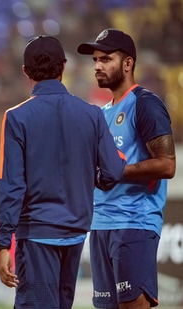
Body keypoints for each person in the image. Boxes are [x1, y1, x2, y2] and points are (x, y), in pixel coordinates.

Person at [0, 35, 127, 309]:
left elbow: (12, 186)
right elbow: (114, 171)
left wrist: (4, 243)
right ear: (63, 67)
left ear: (25, 71)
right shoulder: (92, 114)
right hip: (76, 231)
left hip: (36, 231)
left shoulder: (17, 117)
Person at [77, 28, 176, 309]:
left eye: (106, 59)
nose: (97, 66)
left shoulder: (146, 104)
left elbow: (168, 165)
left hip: (134, 223)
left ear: (128, 63)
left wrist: (117, 170)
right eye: (95, 60)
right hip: (100, 226)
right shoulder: (102, 112)